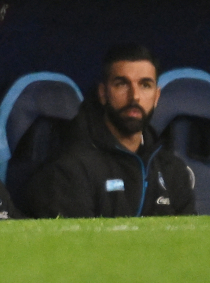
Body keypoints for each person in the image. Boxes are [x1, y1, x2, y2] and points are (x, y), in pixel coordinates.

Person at [26, 43, 196, 218]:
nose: (134, 96)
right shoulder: (68, 169)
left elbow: (191, 242)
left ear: (156, 97)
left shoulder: (172, 170)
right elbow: (76, 245)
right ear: (103, 93)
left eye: (145, 85)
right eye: (121, 84)